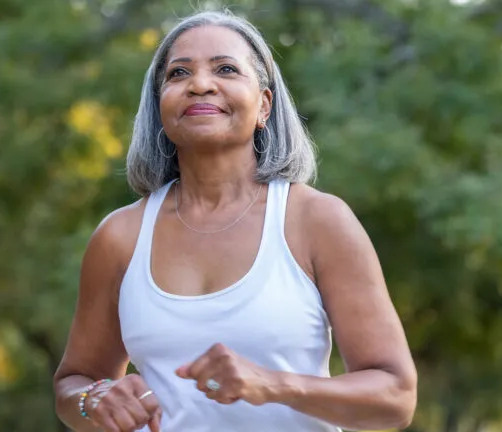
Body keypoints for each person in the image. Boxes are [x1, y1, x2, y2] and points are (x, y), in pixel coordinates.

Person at [53, 9, 417, 432]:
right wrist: (92, 400)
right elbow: (72, 383)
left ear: (264, 104)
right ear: (160, 107)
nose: (200, 84)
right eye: (178, 74)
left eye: (225, 68)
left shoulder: (316, 220)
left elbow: (395, 398)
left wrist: (275, 384)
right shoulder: (120, 236)